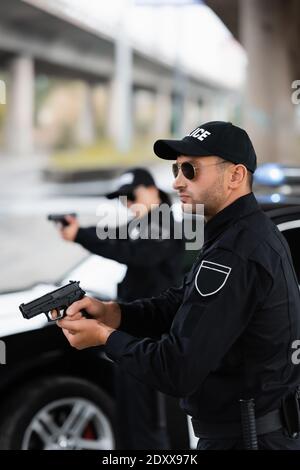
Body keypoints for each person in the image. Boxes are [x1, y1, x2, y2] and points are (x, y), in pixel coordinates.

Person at [57, 121, 300, 450]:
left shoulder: (235, 252)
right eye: (176, 168)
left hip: (246, 439)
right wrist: (113, 314)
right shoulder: (237, 235)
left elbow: (176, 368)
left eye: (191, 169)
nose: (177, 181)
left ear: (236, 176)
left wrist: (104, 337)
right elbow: (180, 302)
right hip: (250, 432)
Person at [58, 167, 184, 450]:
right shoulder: (145, 223)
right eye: (122, 199)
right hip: (129, 332)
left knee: (148, 423)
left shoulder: (167, 226)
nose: (128, 203)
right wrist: (78, 232)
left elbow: (129, 251)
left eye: (132, 195)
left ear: (152, 190)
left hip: (153, 339)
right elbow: (113, 237)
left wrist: (80, 234)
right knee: (130, 419)